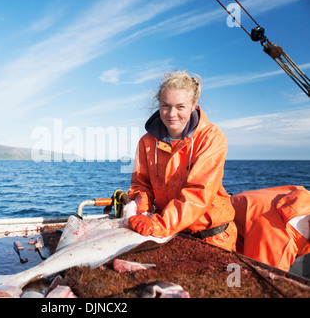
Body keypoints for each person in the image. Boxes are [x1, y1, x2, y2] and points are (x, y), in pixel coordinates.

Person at [127, 70, 237, 251]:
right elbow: (141, 186)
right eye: (165, 106)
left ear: (193, 105)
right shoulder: (146, 142)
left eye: (180, 107)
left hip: (212, 237)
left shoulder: (211, 138)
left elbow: (199, 193)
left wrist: (159, 225)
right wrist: (143, 214)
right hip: (171, 235)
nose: (171, 113)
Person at [231, 185, 310, 271]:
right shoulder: (279, 245)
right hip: (223, 231)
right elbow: (262, 276)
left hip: (237, 206)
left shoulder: (303, 197)